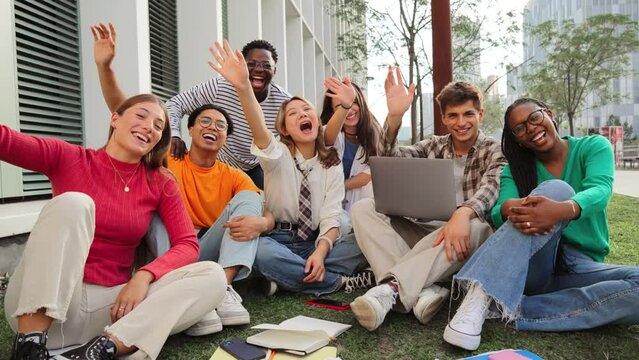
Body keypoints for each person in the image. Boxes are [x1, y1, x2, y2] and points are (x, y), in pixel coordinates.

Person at [2, 91, 226, 360]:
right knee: (74, 203)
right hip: (43, 304)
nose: (149, 127)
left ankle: (100, 352)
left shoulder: (160, 181)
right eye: (141, 116)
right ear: (115, 119)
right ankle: (29, 347)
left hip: (109, 310)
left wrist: (144, 276)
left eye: (158, 126)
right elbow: (6, 141)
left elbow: (188, 244)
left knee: (212, 275)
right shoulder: (70, 157)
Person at [92, 23, 273, 334]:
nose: (212, 128)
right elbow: (125, 112)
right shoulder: (169, 159)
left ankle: (219, 292)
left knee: (249, 197)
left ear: (227, 138)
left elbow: (264, 207)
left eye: (220, 125)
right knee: (154, 215)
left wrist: (264, 223)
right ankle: (186, 292)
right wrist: (105, 66)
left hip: (207, 251)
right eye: (205, 121)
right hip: (172, 252)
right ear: (189, 130)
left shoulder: (232, 174)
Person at [443, 98, 639, 351]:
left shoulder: (593, 147)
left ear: (549, 114)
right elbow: (499, 210)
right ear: (517, 139)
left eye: (534, 118)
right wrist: (524, 208)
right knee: (558, 189)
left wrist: (561, 210)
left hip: (580, 265)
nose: (531, 129)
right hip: (534, 262)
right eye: (520, 129)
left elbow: (600, 189)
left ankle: (509, 307)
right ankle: (479, 294)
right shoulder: (515, 169)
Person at [349, 68, 506, 331]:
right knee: (364, 207)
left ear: (480, 114)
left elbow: (490, 188)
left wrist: (462, 214)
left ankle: (390, 289)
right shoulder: (433, 145)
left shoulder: (495, 149)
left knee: (478, 226)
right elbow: (391, 159)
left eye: (468, 114)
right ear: (444, 118)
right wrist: (395, 116)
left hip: (466, 238)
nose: (461, 122)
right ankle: (425, 290)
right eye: (453, 116)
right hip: (426, 234)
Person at [208, 39, 369, 295]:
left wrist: (320, 250)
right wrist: (243, 88)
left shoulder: (331, 162)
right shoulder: (277, 156)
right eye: (293, 114)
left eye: (307, 110)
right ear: (284, 129)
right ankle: (336, 281)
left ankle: (291, 275)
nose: (303, 115)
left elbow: (331, 214)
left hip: (317, 238)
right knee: (261, 252)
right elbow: (259, 128)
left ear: (317, 121)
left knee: (361, 239)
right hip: (280, 239)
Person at [164, 35, 291, 189]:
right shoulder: (219, 87)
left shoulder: (283, 102)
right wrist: (174, 135)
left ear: (275, 70)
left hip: (256, 166)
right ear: (241, 66)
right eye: (251, 64)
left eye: (266, 65)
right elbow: (174, 104)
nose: (259, 69)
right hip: (220, 161)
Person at [320, 80, 382, 214]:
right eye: (340, 106)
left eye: (353, 102)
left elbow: (373, 173)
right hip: (328, 202)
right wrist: (346, 105)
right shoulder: (329, 133)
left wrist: (342, 186)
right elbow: (327, 138)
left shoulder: (374, 132)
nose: (348, 109)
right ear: (333, 113)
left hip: (359, 200)